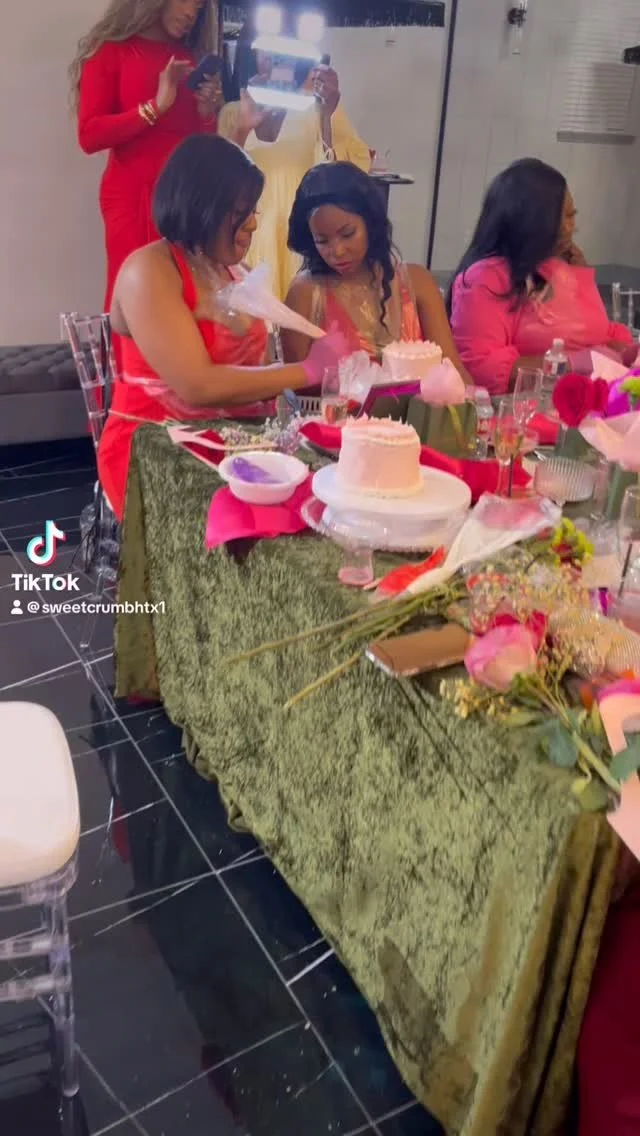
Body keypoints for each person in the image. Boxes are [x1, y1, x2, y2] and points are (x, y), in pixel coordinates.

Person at [98, 135, 346, 520]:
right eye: (239, 212)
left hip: (237, 440)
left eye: (253, 211)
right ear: (201, 207)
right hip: (157, 447)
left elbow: (260, 371)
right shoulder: (148, 270)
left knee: (326, 501)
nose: (252, 224)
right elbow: (197, 385)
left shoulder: (234, 271)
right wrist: (308, 370)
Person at [71, 0, 225, 311]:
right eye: (185, 1)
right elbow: (89, 135)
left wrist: (207, 114)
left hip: (185, 198)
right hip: (133, 196)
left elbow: (199, 145)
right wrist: (155, 107)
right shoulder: (111, 50)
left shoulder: (189, 57)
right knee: (134, 294)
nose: (190, 14)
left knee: (185, 296)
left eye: (198, 8)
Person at [447, 158, 636, 396]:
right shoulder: (485, 278)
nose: (570, 228)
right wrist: (576, 364)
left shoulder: (566, 265)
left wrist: (625, 352)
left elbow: (598, 333)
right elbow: (479, 370)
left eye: (571, 215)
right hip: (521, 410)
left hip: (591, 401)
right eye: (560, 218)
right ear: (528, 221)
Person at [282, 161, 471, 380]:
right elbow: (293, 387)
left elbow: (453, 370)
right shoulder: (306, 293)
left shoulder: (418, 282)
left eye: (348, 234)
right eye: (322, 241)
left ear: (370, 223)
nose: (337, 251)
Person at [218, 60, 371, 300]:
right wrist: (242, 129)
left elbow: (340, 176)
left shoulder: (319, 106)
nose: (274, 60)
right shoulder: (234, 112)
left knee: (302, 307)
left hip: (300, 229)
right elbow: (219, 181)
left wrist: (326, 116)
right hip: (250, 229)